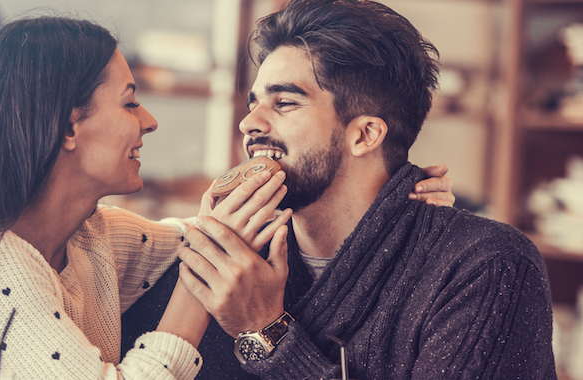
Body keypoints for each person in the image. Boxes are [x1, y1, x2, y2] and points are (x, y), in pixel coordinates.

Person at [0, 14, 452, 380]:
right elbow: (207, 253)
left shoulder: (92, 235)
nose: (149, 119)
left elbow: (201, 237)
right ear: (69, 125)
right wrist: (203, 277)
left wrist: (395, 207)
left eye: (282, 101)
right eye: (129, 101)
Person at [123, 0, 557, 379]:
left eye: (285, 102)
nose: (249, 122)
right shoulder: (220, 256)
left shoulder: (488, 267)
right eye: (254, 101)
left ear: (365, 135)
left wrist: (264, 328)